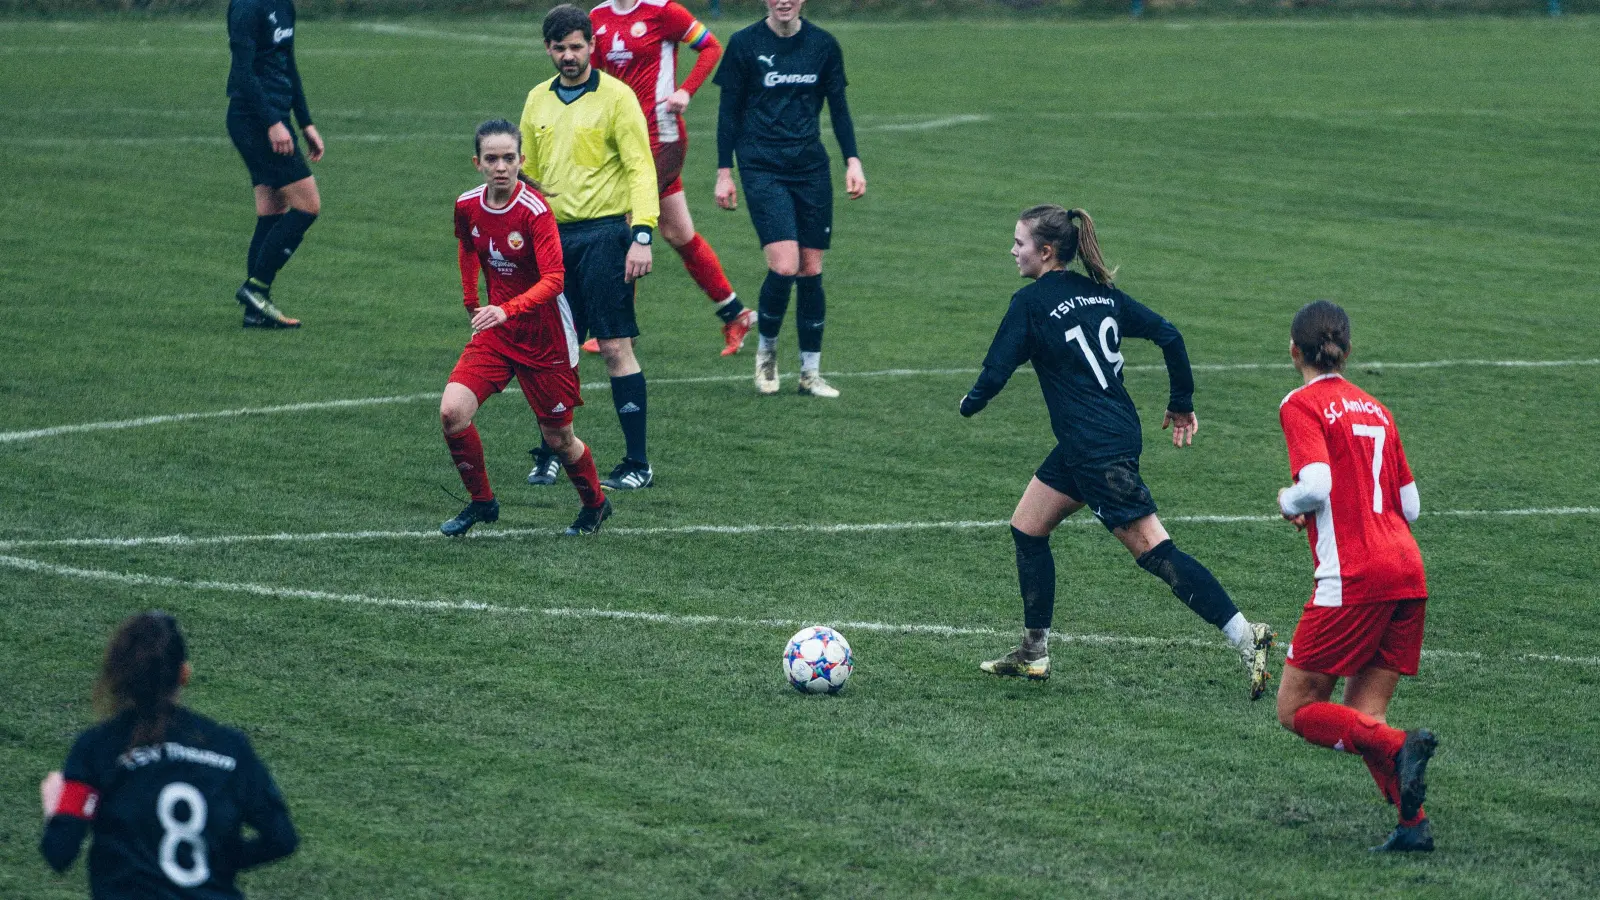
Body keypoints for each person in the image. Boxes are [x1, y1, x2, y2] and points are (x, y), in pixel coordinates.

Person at [960, 205, 1275, 697]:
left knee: (1155, 551)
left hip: (1095, 452)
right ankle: (1033, 650)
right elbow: (1169, 334)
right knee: (1027, 525)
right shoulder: (1100, 294)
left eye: (1019, 243)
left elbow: (995, 372)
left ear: (1045, 252)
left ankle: (1245, 634)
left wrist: (969, 404)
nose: (1012, 250)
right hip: (1108, 436)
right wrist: (1181, 403)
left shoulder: (1031, 303)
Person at [1273, 300, 1439, 852]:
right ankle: (1412, 828)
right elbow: (1410, 504)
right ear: (1346, 349)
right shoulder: (1378, 408)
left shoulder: (1301, 403)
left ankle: (1399, 746)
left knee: (1296, 708)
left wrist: (1287, 500)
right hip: (1407, 573)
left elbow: (1316, 483)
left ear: (1294, 350)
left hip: (1355, 576)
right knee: (1362, 716)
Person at [38, 611, 298, 896]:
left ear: (118, 674)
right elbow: (282, 838)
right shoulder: (230, 747)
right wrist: (215, 861)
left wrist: (55, 810)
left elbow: (59, 852)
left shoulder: (97, 748)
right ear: (184, 674)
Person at [441, 120, 611, 538]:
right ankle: (482, 503)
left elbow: (554, 278)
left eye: (509, 158)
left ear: (521, 160)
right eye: (492, 159)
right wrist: (471, 301)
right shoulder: (467, 205)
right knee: (452, 413)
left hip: (545, 335)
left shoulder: (534, 210)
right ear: (477, 163)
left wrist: (507, 309)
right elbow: (467, 246)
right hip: (497, 334)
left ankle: (596, 504)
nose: (501, 166)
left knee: (559, 439)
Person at [522, 4, 661, 492]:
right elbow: (528, 176)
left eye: (576, 46)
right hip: (553, 242)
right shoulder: (537, 100)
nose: (568, 56)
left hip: (606, 235)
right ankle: (551, 451)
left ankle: (637, 463)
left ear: (592, 46)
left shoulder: (618, 98)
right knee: (551, 352)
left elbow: (642, 168)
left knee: (615, 346)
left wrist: (642, 233)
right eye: (559, 48)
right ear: (548, 49)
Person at [713, 0, 865, 398]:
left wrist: (853, 161)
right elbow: (728, 111)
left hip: (810, 166)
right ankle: (766, 357)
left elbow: (840, 109)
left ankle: (810, 374)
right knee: (784, 266)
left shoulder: (824, 45)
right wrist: (724, 172)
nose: (784, 1)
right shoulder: (744, 44)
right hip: (761, 166)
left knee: (811, 269)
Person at [590, 0, 758, 357]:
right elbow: (595, 80)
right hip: (621, 142)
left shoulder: (663, 11)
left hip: (661, 138)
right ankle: (735, 313)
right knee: (678, 232)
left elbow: (711, 46)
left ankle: (621, 328)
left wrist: (686, 90)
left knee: (623, 227)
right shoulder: (597, 18)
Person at [226, 0, 323, 329]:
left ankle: (256, 310)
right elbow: (243, 71)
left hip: (275, 117)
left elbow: (287, 63)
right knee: (308, 205)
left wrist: (305, 122)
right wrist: (271, 122)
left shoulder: (284, 5)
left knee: (271, 209)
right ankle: (256, 289)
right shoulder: (247, 7)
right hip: (253, 120)